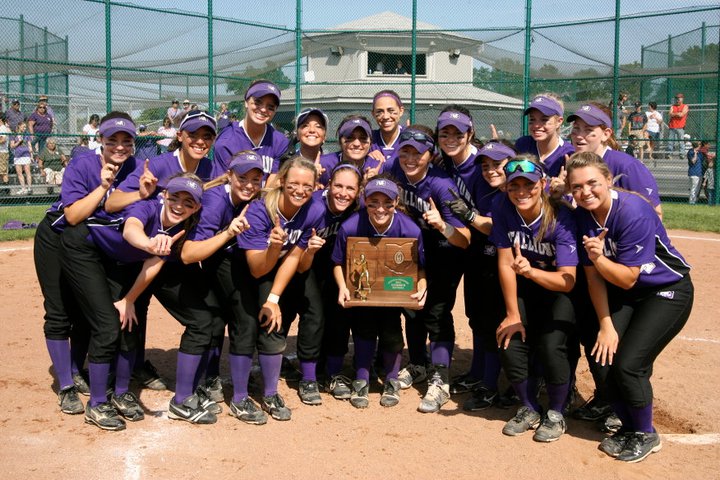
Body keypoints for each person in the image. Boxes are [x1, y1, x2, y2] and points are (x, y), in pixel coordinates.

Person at [566, 151, 693, 462]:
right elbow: (593, 278)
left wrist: (598, 257)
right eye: (577, 187)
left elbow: (625, 278)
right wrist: (606, 325)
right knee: (602, 357)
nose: (585, 192)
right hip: (628, 294)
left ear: (609, 180)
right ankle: (628, 425)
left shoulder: (632, 211)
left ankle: (646, 433)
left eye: (593, 183)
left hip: (666, 290)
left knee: (629, 364)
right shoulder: (582, 215)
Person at [78, 174, 210, 427]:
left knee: (130, 321)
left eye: (189, 202)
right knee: (107, 327)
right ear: (164, 195)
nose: (180, 205)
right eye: (175, 197)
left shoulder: (184, 226)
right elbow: (131, 231)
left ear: (197, 207)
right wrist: (150, 244)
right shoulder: (147, 206)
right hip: (89, 251)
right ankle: (95, 403)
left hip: (125, 263)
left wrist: (129, 299)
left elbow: (154, 264)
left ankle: (119, 393)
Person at [36, 112, 138, 425]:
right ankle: (66, 385)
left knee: (86, 314)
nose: (119, 147)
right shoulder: (83, 164)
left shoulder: (135, 166)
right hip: (56, 239)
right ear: (100, 140)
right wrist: (103, 187)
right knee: (59, 312)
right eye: (112, 140)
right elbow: (73, 216)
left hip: (92, 243)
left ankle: (77, 371)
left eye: (126, 141)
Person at [491, 156, 578, 442]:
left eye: (528, 185)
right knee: (508, 336)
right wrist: (512, 314)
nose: (520, 192)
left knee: (552, 346)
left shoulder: (560, 216)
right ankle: (528, 406)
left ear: (541, 184)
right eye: (513, 185)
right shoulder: (503, 206)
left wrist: (530, 272)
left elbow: (567, 281)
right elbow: (505, 263)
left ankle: (556, 411)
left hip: (557, 287)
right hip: (526, 284)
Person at [232, 157, 321, 422]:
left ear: (315, 187)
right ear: (281, 181)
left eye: (307, 185)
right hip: (246, 268)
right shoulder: (260, 211)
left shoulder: (314, 209)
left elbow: (294, 256)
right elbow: (257, 269)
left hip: (277, 265)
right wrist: (272, 246)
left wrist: (273, 299)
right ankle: (238, 398)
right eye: (294, 183)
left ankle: (270, 393)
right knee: (246, 325)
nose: (300, 190)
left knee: (272, 320)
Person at [389, 126, 471, 413]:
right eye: (405, 151)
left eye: (418, 153)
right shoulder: (394, 168)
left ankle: (441, 378)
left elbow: (465, 239)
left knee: (436, 312)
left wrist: (441, 224)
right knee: (411, 307)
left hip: (445, 253)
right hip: (414, 251)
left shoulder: (441, 186)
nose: (410, 158)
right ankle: (418, 363)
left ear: (431, 155)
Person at [332, 177, 427, 408]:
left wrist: (422, 288)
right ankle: (362, 379)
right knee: (363, 329)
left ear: (396, 201)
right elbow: (338, 261)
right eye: (373, 202)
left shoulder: (409, 228)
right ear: (364, 201)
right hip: (363, 291)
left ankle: (392, 379)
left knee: (392, 332)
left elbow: (420, 267)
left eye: (387, 202)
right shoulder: (351, 226)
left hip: (392, 293)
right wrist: (343, 286)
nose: (380, 208)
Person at [181, 152, 264, 412]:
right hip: (197, 263)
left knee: (218, 321)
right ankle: (239, 398)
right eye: (242, 177)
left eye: (255, 178)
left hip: (228, 259)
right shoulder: (216, 201)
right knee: (243, 319)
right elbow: (188, 254)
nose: (249, 184)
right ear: (229, 175)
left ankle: (211, 378)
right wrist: (229, 232)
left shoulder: (255, 198)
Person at [445, 141, 516, 411]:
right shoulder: (487, 189)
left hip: (502, 264)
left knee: (492, 324)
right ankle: (478, 374)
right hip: (480, 257)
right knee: (477, 318)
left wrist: (471, 216)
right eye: (485, 166)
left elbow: (497, 227)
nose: (490, 171)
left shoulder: (515, 192)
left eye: (497, 165)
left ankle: (490, 384)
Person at [296, 164, 361, 400]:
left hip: (338, 268)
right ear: (329, 185)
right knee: (313, 316)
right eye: (339, 186)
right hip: (307, 265)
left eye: (350, 188)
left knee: (340, 314)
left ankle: (333, 373)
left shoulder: (358, 208)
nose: (343, 193)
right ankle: (309, 378)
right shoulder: (313, 205)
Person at [106, 110, 217, 214]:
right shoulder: (158, 165)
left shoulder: (212, 169)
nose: (200, 141)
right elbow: (111, 203)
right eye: (193, 134)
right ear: (179, 136)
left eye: (207, 137)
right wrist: (140, 195)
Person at [567, 103, 663, 219]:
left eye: (588, 130)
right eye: (576, 128)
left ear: (606, 134)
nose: (579, 135)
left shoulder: (626, 166)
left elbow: (654, 214)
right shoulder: (572, 164)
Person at [212, 80, 290, 187]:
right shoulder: (227, 140)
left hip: (264, 201)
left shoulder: (280, 141)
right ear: (246, 102)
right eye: (257, 102)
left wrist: (258, 204)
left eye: (270, 107)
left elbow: (272, 185)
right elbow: (221, 187)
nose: (263, 109)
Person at [515, 94, 574, 178]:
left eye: (544, 120)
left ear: (559, 121)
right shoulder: (523, 144)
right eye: (532, 119)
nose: (536, 125)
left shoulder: (568, 154)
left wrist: (565, 188)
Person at [318, 116, 383, 186]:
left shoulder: (375, 166)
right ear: (340, 141)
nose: (356, 144)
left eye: (363, 138)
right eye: (350, 138)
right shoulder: (324, 164)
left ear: (370, 143)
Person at [369, 90, 405, 164]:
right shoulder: (367, 139)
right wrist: (366, 156)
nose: (386, 116)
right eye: (379, 112)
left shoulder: (410, 137)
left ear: (401, 111)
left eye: (391, 110)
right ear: (373, 114)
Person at [9, 120, 33, 195]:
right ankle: (23, 188)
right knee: (19, 173)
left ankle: (29, 188)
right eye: (23, 127)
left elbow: (29, 145)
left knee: (27, 172)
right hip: (18, 155)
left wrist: (31, 155)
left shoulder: (26, 135)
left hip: (26, 155)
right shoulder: (14, 135)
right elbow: (12, 146)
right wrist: (19, 142)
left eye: (25, 127)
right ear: (19, 126)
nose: (25, 128)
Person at [668, 93, 689, 159]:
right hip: (672, 126)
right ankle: (669, 154)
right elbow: (670, 114)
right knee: (670, 141)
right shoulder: (672, 106)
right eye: (676, 98)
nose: (677, 100)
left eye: (679, 98)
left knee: (681, 141)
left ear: (682, 99)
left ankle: (682, 154)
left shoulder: (685, 106)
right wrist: (677, 114)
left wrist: (674, 114)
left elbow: (682, 114)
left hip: (680, 127)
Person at [687, 141, 704, 205]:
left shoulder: (700, 153)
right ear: (697, 146)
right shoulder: (691, 152)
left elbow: (702, 160)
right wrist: (695, 154)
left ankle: (693, 201)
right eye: (699, 144)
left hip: (699, 173)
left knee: (696, 189)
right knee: (693, 188)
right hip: (694, 173)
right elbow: (693, 161)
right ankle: (691, 202)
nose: (700, 145)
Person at [0, 114, 10, 184]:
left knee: (3, 171)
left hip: (2, 152)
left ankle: (6, 188)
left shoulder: (2, 128)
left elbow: (3, 140)